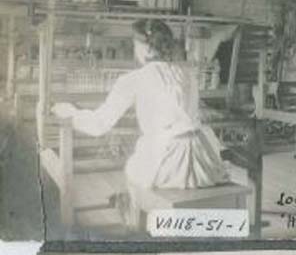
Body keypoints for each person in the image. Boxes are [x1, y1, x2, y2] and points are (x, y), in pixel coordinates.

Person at [51, 20, 228, 227]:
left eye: (135, 44)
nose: (135, 49)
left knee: (133, 170)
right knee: (140, 159)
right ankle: (136, 210)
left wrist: (70, 113)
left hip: (168, 163)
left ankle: (135, 220)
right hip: (202, 161)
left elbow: (98, 125)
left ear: (146, 48)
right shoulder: (188, 74)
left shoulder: (133, 79)